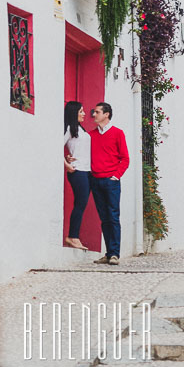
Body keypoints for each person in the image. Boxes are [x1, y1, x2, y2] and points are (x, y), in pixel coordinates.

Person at [87, 103, 129, 265]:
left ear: (107, 114)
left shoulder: (118, 133)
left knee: (113, 217)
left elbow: (125, 158)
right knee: (104, 218)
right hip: (95, 180)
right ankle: (109, 252)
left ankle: (114, 254)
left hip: (111, 182)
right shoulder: (91, 135)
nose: (94, 114)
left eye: (97, 112)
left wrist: (116, 176)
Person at [62, 101, 91, 250]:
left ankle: (74, 236)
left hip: (86, 171)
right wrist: (67, 165)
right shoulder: (69, 128)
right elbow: (55, 146)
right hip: (77, 171)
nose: (84, 113)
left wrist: (68, 157)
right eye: (81, 111)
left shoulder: (81, 129)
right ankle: (73, 237)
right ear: (74, 113)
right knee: (80, 204)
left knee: (82, 204)